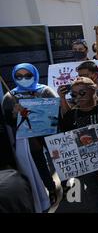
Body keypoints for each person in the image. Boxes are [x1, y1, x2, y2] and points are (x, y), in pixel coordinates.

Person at [1, 63, 57, 212]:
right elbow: (8, 121)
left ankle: (64, 183)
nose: (23, 79)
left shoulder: (45, 91)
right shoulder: (9, 97)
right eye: (19, 76)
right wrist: (14, 114)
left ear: (35, 74)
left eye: (27, 75)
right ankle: (50, 189)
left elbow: (57, 110)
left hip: (50, 133)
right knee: (39, 164)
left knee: (58, 158)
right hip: (28, 138)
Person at [58, 77, 98, 212]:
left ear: (93, 90)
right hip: (88, 166)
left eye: (82, 92)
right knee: (97, 196)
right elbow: (64, 140)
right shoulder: (71, 115)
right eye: (74, 94)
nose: (78, 97)